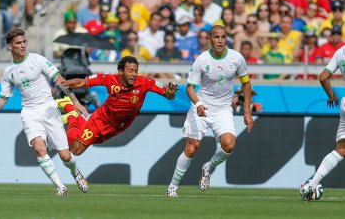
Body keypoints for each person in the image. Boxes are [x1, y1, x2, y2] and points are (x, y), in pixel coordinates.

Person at [0, 28, 89, 196]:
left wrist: (76, 102)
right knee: (38, 147)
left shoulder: (38, 60)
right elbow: (3, 98)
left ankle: (76, 173)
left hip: (49, 109)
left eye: (24, 42)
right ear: (10, 47)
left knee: (65, 156)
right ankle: (60, 187)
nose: (22, 46)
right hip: (30, 112)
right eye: (18, 43)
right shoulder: (9, 72)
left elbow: (60, 82)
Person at [166, 25, 253, 197]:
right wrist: (198, 104)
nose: (220, 40)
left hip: (223, 110)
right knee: (192, 148)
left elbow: (246, 84)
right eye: (216, 37)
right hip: (202, 106)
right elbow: (190, 87)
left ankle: (208, 167)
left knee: (229, 144)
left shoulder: (237, 58)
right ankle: (173, 187)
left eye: (223, 37)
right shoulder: (202, 60)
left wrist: (247, 112)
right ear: (209, 39)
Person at [55, 56, 179, 156]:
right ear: (120, 72)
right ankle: (72, 115)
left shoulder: (146, 83)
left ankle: (77, 117)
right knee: (75, 151)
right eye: (130, 71)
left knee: (85, 142)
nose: (134, 74)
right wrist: (67, 82)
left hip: (119, 126)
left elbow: (168, 95)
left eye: (136, 71)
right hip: (101, 120)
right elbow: (83, 82)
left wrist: (171, 93)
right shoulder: (109, 79)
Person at [300, 43, 345, 201]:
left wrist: (331, 95)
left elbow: (323, 77)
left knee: (341, 149)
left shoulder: (340, 52)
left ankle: (312, 185)